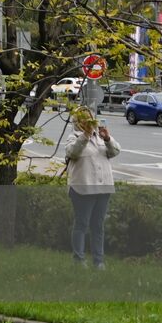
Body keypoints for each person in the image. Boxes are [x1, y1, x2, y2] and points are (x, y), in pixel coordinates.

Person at [64, 108, 121, 268]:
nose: (87, 122)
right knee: (81, 223)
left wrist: (108, 138)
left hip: (103, 188)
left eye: (89, 119)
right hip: (83, 187)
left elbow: (115, 151)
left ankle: (99, 261)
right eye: (82, 119)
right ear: (76, 121)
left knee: (98, 225)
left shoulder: (100, 137)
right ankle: (79, 260)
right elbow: (73, 153)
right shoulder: (73, 138)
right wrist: (85, 135)